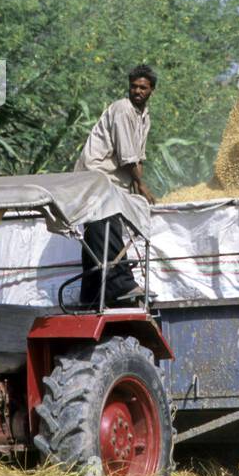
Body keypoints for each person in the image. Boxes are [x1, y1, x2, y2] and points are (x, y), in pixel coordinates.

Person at [74, 64, 159, 308]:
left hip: (112, 181)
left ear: (151, 89)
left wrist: (135, 182)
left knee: (96, 235)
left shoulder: (144, 116)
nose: (137, 91)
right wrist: (141, 185)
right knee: (106, 224)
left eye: (143, 87)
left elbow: (138, 157)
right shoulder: (123, 110)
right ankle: (121, 283)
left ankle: (90, 295)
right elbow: (129, 156)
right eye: (133, 86)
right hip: (97, 176)